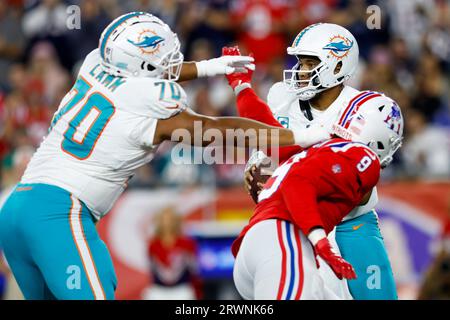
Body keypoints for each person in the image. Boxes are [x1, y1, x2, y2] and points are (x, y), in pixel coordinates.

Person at [0, 12, 329, 300]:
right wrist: (297, 136)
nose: (172, 63)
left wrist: (205, 68)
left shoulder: (95, 63)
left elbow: (145, 75)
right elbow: (219, 129)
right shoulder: (153, 107)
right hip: (60, 213)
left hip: (17, 208)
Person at [224, 22, 399, 299]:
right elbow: (267, 139)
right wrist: (258, 165)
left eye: (308, 63)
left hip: (349, 223)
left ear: (338, 66)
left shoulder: (363, 110)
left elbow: (358, 187)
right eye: (300, 62)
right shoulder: (282, 95)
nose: (299, 71)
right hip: (293, 222)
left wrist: (286, 169)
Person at [232, 94, 404, 299]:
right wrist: (321, 241)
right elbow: (295, 184)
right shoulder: (361, 155)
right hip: (284, 241)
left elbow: (264, 127)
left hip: (251, 245)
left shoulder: (316, 143)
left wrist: (241, 85)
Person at [143, 206, 202, 300]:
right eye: (164, 219)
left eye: (170, 219)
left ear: (176, 221)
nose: (167, 223)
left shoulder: (186, 243)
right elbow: (152, 268)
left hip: (182, 290)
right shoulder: (153, 244)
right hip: (158, 290)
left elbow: (195, 269)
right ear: (159, 221)